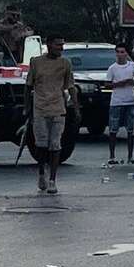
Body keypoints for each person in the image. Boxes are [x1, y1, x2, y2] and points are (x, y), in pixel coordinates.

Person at [25, 34, 78, 194]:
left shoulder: (65, 63)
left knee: (55, 145)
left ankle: (53, 180)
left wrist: (76, 108)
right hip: (40, 109)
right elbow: (28, 86)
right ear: (48, 45)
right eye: (57, 45)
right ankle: (42, 172)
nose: (60, 48)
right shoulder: (36, 62)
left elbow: (71, 86)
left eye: (62, 45)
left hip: (58, 109)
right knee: (41, 145)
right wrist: (27, 108)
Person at [104, 45, 134, 166]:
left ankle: (130, 156)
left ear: (126, 54)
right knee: (113, 130)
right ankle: (111, 156)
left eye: (122, 52)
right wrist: (120, 83)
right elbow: (107, 84)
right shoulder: (112, 68)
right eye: (118, 52)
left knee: (131, 130)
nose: (120, 54)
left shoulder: (132, 66)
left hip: (130, 101)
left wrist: (132, 82)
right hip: (116, 102)